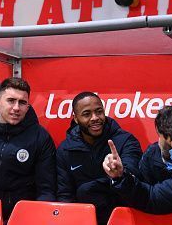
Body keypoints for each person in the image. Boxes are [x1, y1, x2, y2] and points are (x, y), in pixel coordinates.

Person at [0, 77, 56, 220]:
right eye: (11, 101)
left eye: (22, 103)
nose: (16, 108)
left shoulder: (41, 137)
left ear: (28, 107)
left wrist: (38, 219)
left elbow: (46, 190)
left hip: (29, 217)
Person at [56, 92, 142, 225]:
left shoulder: (125, 141)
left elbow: (134, 179)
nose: (95, 118)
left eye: (99, 111)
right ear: (76, 119)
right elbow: (65, 196)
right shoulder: (65, 150)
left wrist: (120, 174)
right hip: (82, 220)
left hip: (123, 218)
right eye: (86, 114)